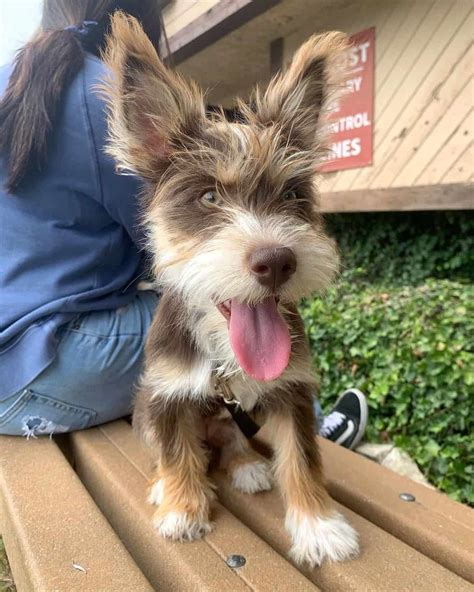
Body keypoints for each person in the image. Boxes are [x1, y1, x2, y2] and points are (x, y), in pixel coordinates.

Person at [0, 0, 367, 447]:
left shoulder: (13, 83)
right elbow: (153, 237)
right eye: (211, 197)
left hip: (11, 363)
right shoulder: (106, 93)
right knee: (209, 312)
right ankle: (302, 422)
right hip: (49, 365)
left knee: (232, 300)